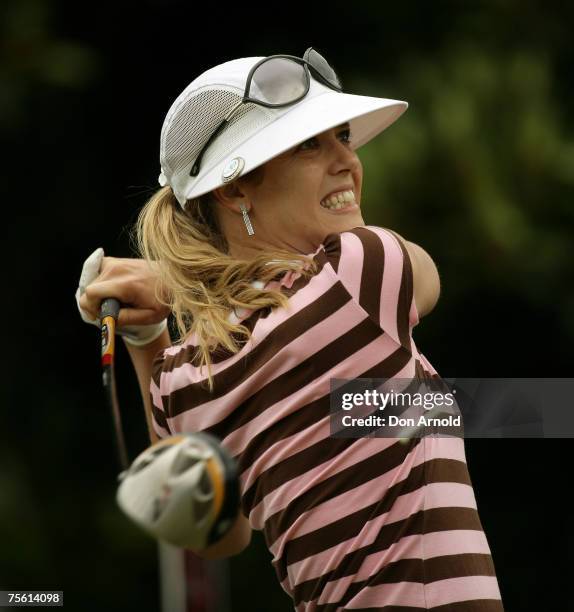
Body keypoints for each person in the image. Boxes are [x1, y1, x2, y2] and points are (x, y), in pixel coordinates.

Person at [77, 48, 504, 610]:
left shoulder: (181, 377)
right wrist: (179, 287)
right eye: (310, 144)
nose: (347, 161)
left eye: (343, 137)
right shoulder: (358, 270)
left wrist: (146, 334)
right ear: (234, 190)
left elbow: (211, 531)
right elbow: (426, 276)